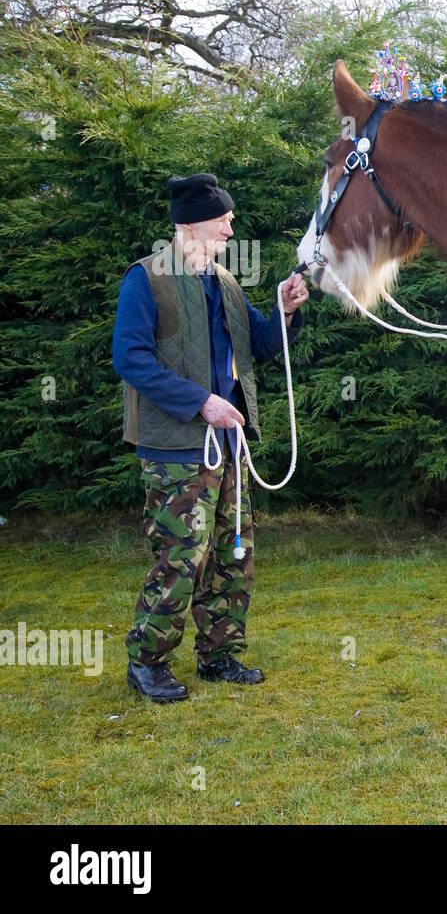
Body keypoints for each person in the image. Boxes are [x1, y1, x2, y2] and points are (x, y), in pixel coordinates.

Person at [111, 173, 309, 703]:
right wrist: (200, 401)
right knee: (181, 555)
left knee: (231, 554)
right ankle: (147, 663)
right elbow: (130, 359)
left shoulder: (225, 281)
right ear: (191, 222)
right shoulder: (146, 279)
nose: (229, 226)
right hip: (175, 449)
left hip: (228, 445)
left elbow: (260, 346)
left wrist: (286, 311)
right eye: (222, 218)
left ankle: (219, 656)